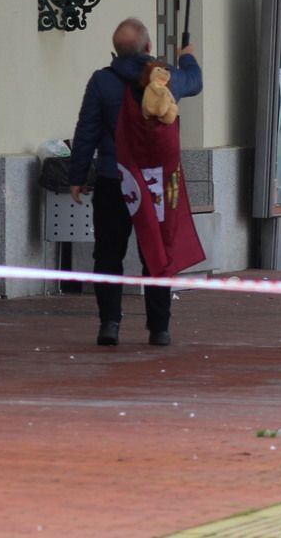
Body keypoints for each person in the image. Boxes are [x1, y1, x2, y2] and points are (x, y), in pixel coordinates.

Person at [67, 18, 202, 346]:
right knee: (156, 253)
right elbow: (196, 81)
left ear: (116, 50)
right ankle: (159, 328)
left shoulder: (102, 81)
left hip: (116, 179)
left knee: (108, 253)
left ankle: (109, 323)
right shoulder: (166, 77)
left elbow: (87, 131)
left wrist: (77, 176)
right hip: (155, 185)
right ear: (148, 47)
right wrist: (187, 56)